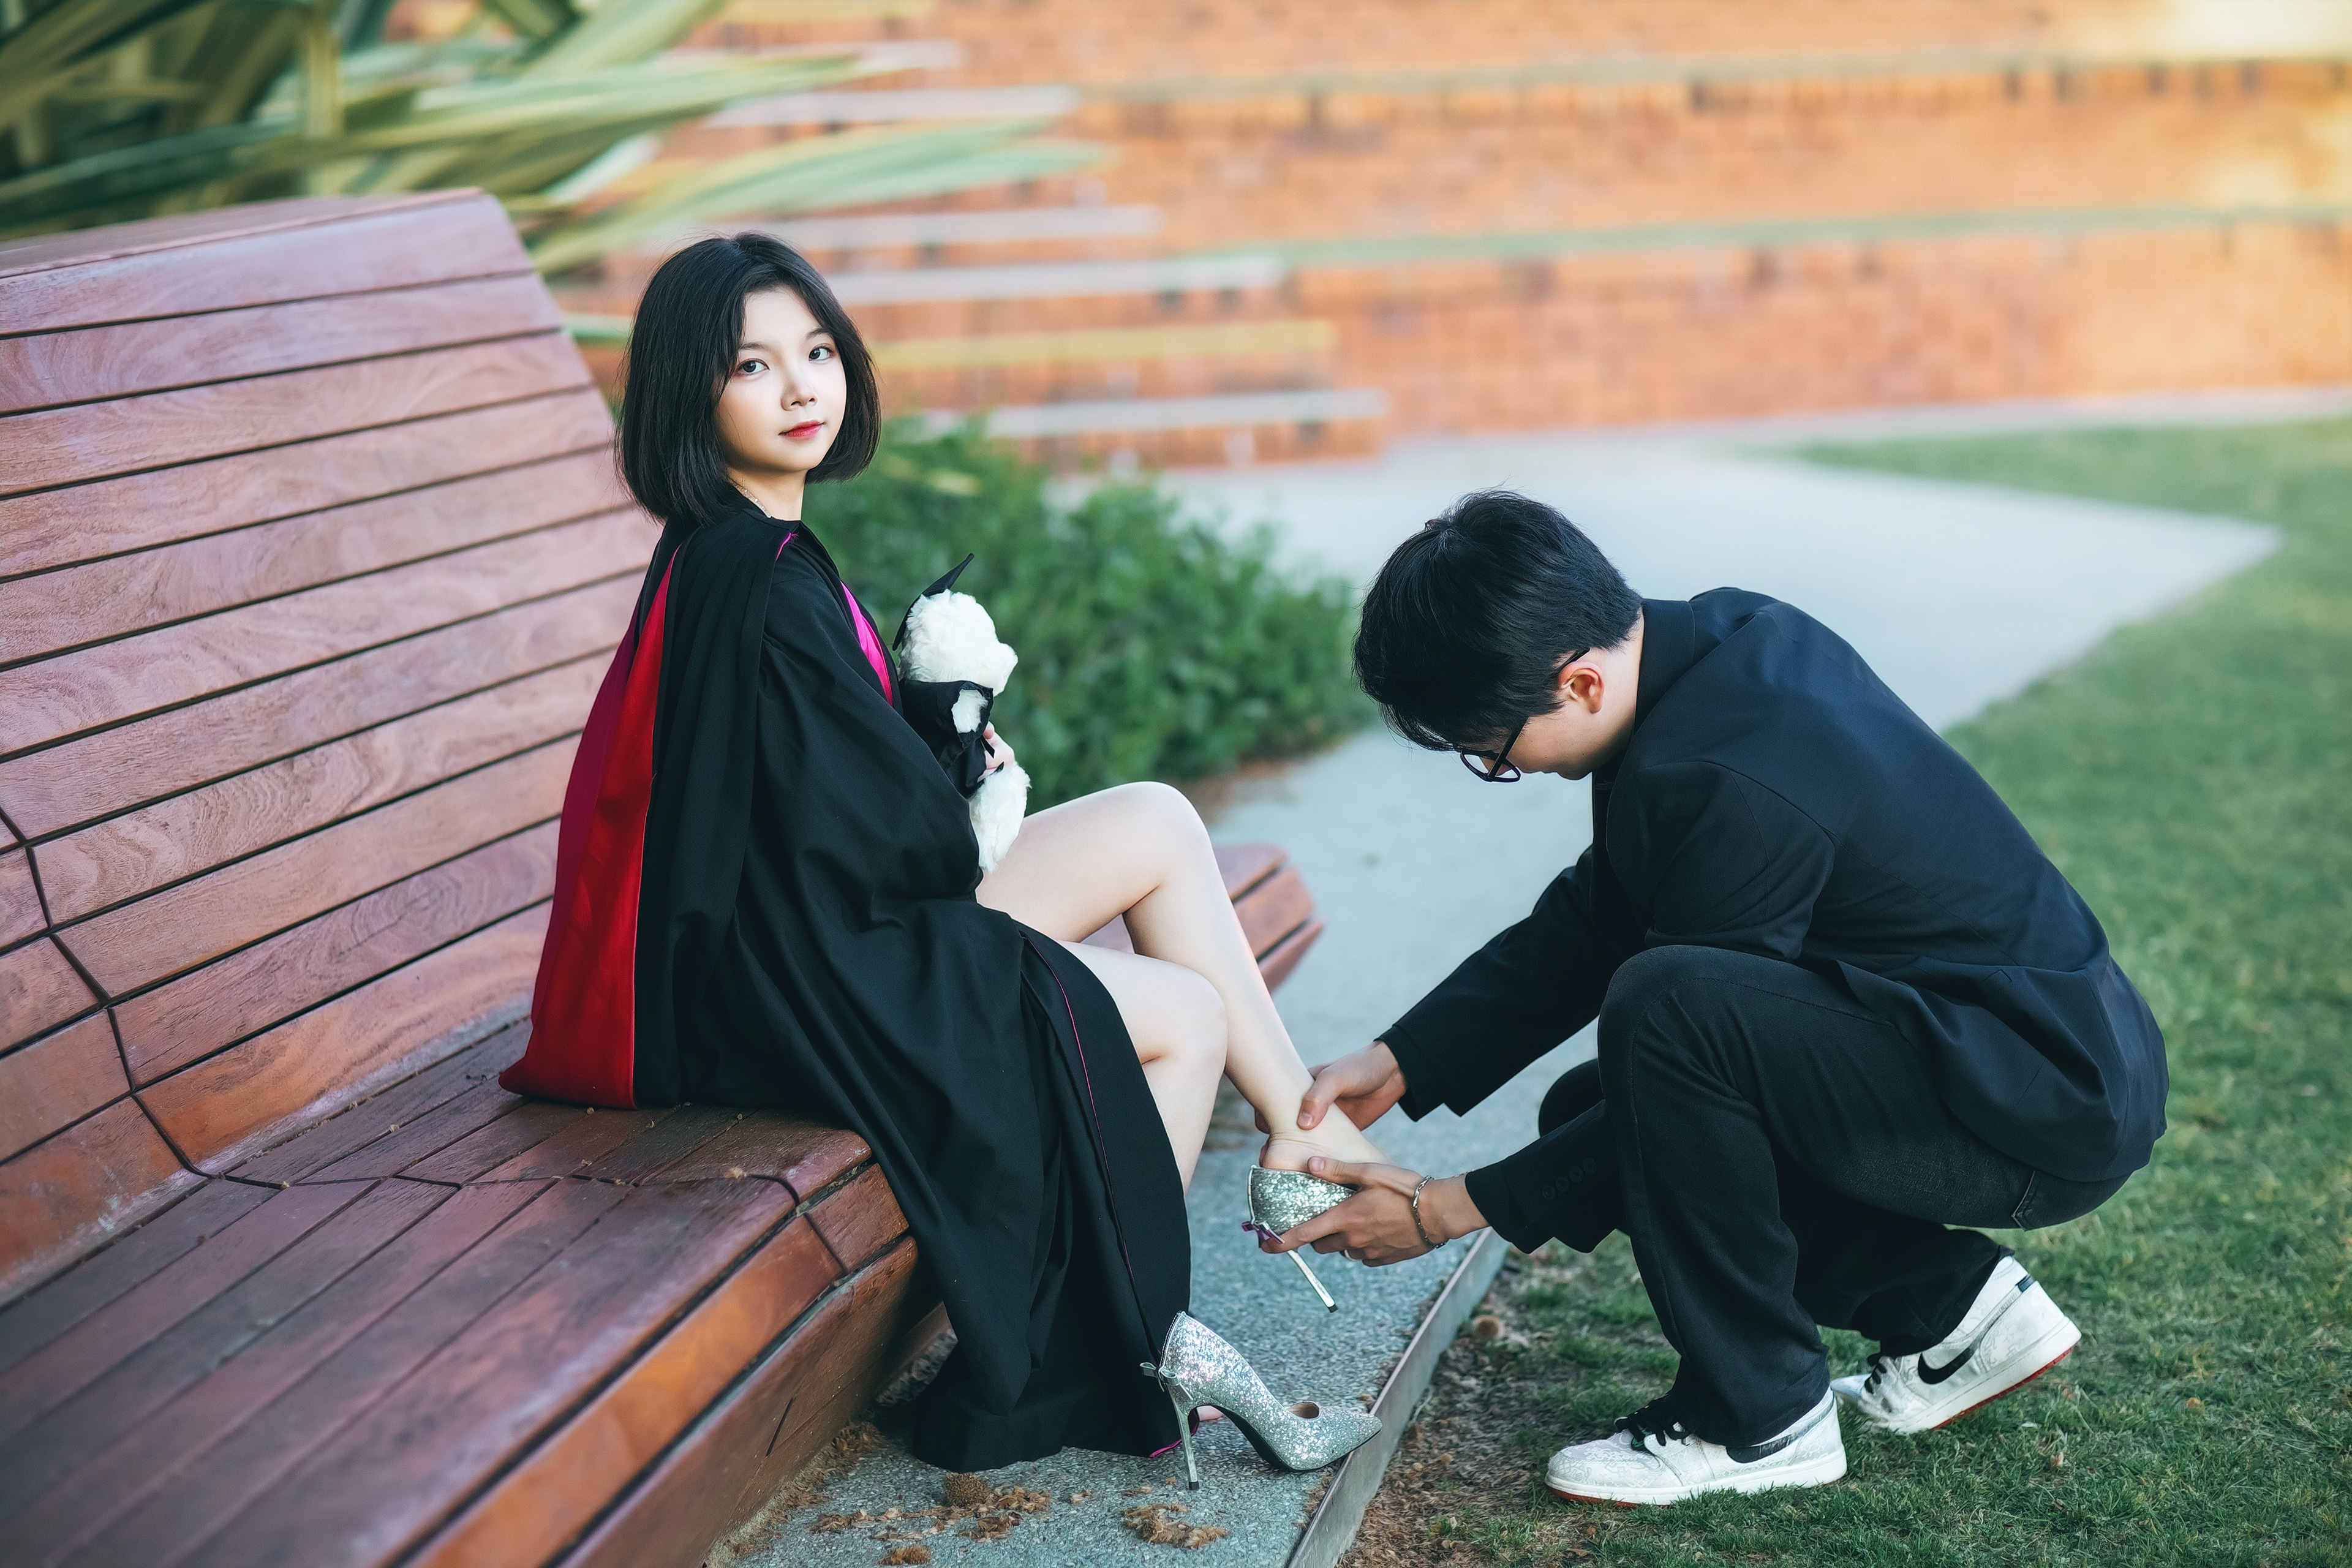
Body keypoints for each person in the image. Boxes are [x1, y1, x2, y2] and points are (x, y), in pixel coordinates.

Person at [499, 234, 1386, 1477]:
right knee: (1179, 1015)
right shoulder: (757, 576)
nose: (801, 387)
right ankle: (1114, 1346)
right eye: (752, 365)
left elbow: (823, 798)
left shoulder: (744, 551)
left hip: (808, 924)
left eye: (816, 352)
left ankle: (1298, 1138)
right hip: (803, 967)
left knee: (1153, 818)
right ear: (689, 396)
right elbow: (884, 836)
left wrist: (932, 737)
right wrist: (953, 752)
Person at [1262, 491, 2166, 1506]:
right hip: (2014, 1056)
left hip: (2024, 1106)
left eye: (1491, 749)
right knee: (1595, 1102)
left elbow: (1681, 1033)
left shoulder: (1728, 767)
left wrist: (1444, 1209)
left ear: (1578, 680)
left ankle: (1760, 1419)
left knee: (1666, 1016)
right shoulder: (1716, 651)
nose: (1499, 764)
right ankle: (1958, 1314)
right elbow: (1605, 910)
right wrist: (1405, 1058)